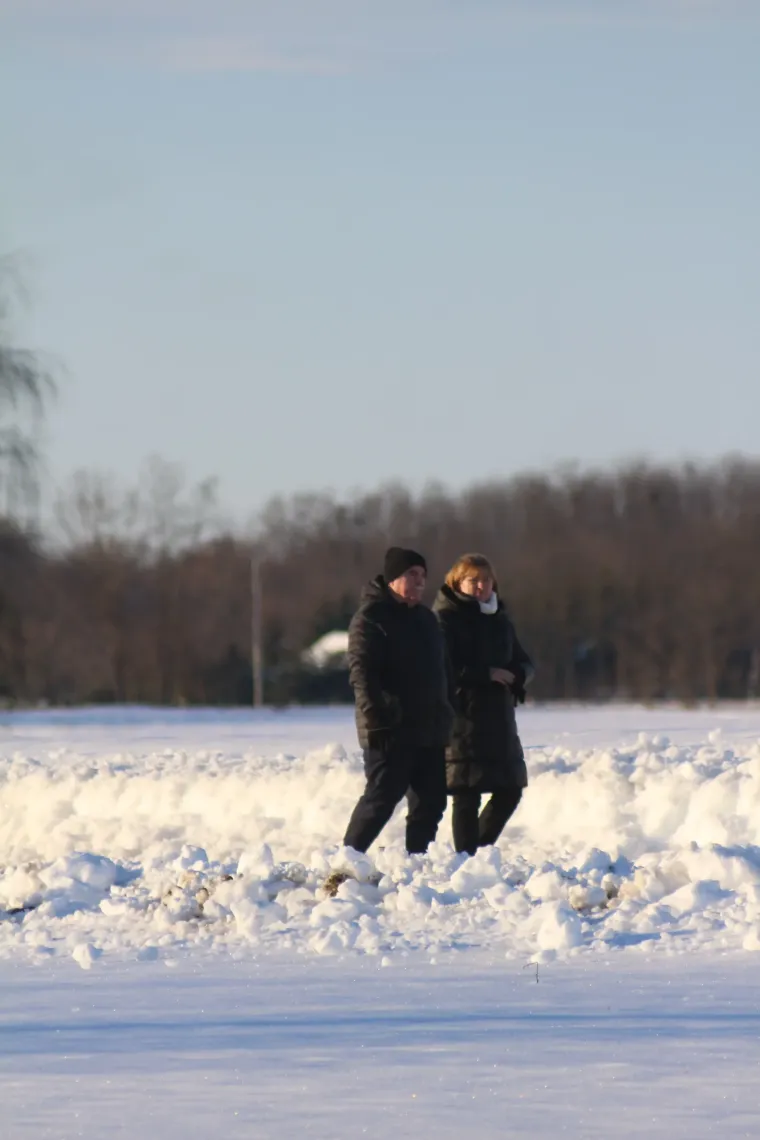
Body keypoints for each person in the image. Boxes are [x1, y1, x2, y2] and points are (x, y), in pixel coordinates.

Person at [341, 546, 453, 857]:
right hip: (389, 727)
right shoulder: (371, 618)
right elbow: (362, 674)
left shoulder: (426, 620)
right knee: (382, 798)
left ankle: (417, 863)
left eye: (423, 576)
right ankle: (347, 859)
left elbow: (443, 671)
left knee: (431, 801)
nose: (419, 582)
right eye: (411, 575)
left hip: (428, 727)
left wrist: (447, 711)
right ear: (393, 579)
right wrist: (375, 717)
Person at [433, 553, 534, 856]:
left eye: (486, 580)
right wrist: (486, 674)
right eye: (473, 580)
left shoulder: (499, 618)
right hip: (463, 717)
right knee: (466, 793)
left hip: (499, 718)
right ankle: (467, 858)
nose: (481, 586)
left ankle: (477, 850)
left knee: (510, 790)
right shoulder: (445, 619)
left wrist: (518, 675)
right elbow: (443, 667)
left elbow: (524, 661)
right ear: (457, 582)